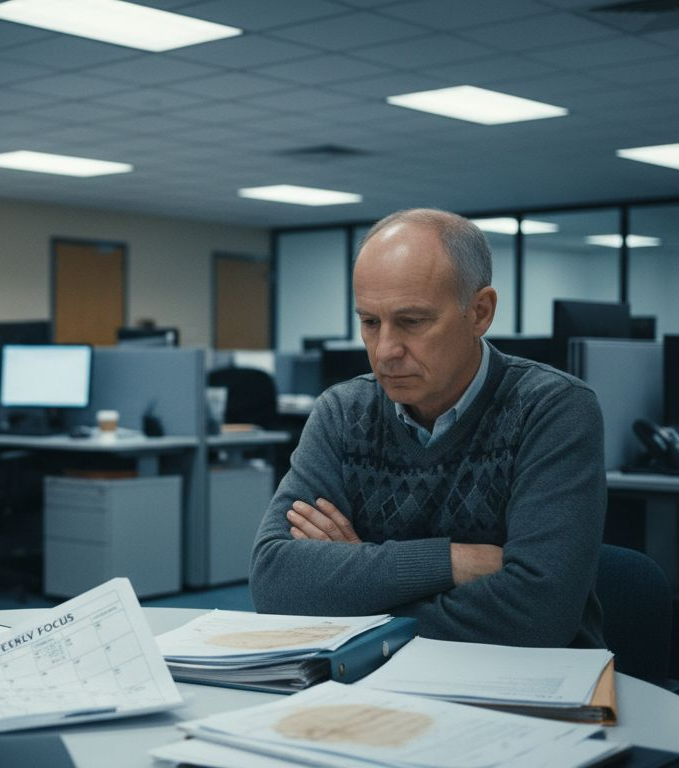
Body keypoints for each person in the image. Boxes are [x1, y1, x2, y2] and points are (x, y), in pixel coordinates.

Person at [250, 208, 605, 648]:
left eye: (412, 322)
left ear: (479, 312)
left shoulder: (550, 408)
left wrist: (357, 583)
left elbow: (537, 614)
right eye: (370, 322)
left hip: (527, 689)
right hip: (377, 685)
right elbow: (274, 581)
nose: (384, 352)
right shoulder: (342, 411)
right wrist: (450, 562)